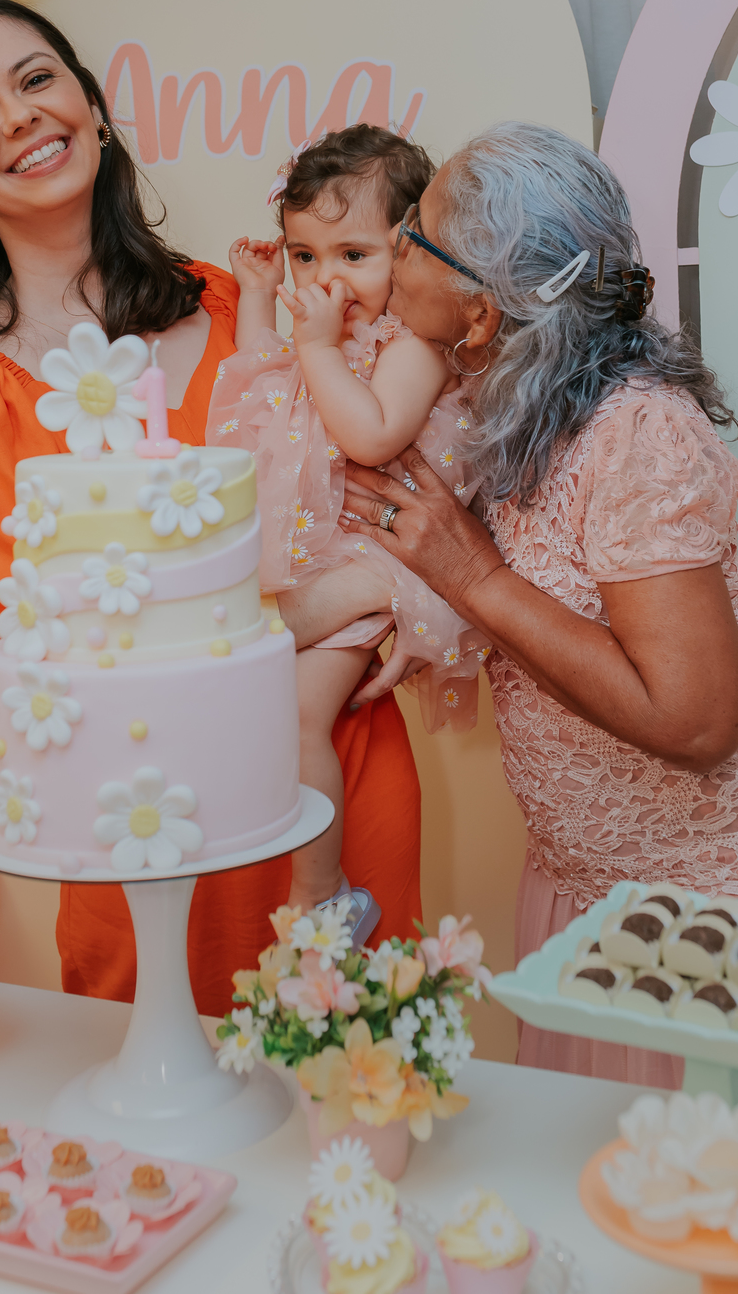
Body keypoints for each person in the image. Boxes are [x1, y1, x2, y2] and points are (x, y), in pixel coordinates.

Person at [336, 120, 738, 1128]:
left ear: (482, 315)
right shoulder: (500, 402)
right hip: (591, 889)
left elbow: (700, 723)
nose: (391, 248)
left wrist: (472, 575)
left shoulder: (639, 432)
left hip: (729, 907)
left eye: (416, 236)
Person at [0, 0, 422, 1015]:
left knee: (361, 1110)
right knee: (167, 1145)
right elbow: (36, 636)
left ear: (93, 110)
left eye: (34, 81)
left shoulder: (247, 301)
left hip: (336, 779)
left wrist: (400, 598)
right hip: (149, 819)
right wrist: (316, 609)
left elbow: (381, 489)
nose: (19, 116)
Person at [212, 126, 487, 922]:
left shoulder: (415, 342)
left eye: (352, 256)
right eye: (305, 255)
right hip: (304, 557)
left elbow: (370, 433)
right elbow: (261, 393)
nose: (325, 279)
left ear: (411, 251)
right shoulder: (323, 336)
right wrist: (261, 299)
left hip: (372, 562)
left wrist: (321, 346)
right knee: (250, 696)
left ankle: (321, 895)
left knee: (297, 715)